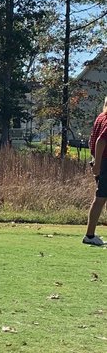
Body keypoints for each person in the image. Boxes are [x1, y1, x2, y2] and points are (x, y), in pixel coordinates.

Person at [83, 97, 107, 247]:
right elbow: (100, 141)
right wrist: (97, 164)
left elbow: (91, 140)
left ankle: (90, 235)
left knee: (101, 198)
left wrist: (95, 160)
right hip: (105, 162)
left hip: (101, 161)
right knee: (100, 198)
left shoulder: (101, 117)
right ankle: (89, 235)